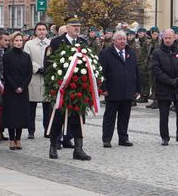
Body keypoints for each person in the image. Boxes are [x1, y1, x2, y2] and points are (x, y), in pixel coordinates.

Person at [46, 16, 90, 160]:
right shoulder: (57, 42)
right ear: (67, 27)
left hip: (79, 86)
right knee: (58, 118)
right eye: (74, 26)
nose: (77, 28)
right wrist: (55, 83)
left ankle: (78, 148)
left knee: (78, 118)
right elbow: (49, 63)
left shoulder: (83, 42)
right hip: (62, 88)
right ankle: (53, 145)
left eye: (79, 25)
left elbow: (89, 63)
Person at [99, 30, 141, 148]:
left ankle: (123, 138)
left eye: (124, 39)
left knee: (124, 117)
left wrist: (138, 88)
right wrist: (103, 88)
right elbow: (102, 73)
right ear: (114, 41)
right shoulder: (105, 54)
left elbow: (136, 72)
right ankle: (107, 139)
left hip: (128, 91)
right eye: (120, 39)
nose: (123, 41)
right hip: (112, 91)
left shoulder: (131, 53)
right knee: (110, 117)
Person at [150, 28, 178, 146]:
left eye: (169, 38)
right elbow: (156, 69)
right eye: (165, 38)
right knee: (164, 114)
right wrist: (168, 81)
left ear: (174, 37)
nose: (167, 40)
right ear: (162, 38)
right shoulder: (157, 52)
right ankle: (165, 137)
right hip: (164, 87)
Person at [2, 31, 32, 150]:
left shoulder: (26, 56)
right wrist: (15, 86)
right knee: (11, 115)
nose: (19, 43)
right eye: (16, 41)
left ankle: (18, 139)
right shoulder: (7, 55)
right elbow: (6, 72)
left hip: (23, 89)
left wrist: (22, 86)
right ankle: (11, 139)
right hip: (11, 89)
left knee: (20, 115)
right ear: (12, 42)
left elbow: (29, 73)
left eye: (20, 41)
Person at [24, 22, 51, 139]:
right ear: (35, 31)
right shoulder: (29, 44)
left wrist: (48, 68)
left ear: (47, 31)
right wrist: (37, 68)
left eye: (43, 29)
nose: (41, 31)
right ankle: (31, 130)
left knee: (48, 107)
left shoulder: (51, 44)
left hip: (47, 78)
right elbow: (27, 59)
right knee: (31, 107)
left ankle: (47, 129)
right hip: (33, 78)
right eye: (39, 29)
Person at [136, 28, 150, 103]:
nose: (139, 34)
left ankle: (145, 95)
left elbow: (148, 53)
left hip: (144, 63)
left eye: (141, 33)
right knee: (140, 80)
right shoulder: (137, 42)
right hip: (138, 63)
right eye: (139, 33)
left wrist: (146, 63)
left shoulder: (147, 42)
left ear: (144, 33)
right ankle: (141, 94)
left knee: (145, 80)